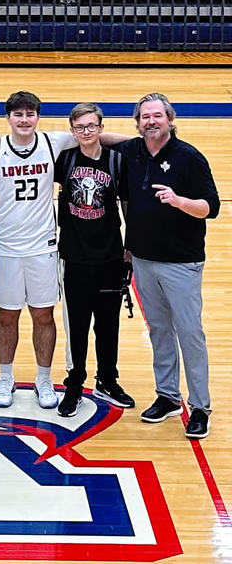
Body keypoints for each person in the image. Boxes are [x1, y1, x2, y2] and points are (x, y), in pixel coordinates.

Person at [112, 92, 220, 439]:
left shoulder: (189, 158)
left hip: (182, 262)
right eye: (145, 117)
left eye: (158, 116)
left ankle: (200, 406)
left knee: (190, 333)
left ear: (170, 119)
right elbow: (98, 136)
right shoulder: (134, 150)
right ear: (138, 123)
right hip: (144, 259)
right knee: (159, 330)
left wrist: (179, 201)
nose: (152, 121)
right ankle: (168, 396)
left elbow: (210, 207)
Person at [0, 91, 77, 410]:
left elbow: (94, 135)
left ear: (38, 117)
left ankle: (43, 379)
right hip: (5, 245)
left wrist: (137, 142)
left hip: (42, 245)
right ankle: (6, 377)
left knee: (43, 315)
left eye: (30, 113)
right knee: (7, 315)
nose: (24, 119)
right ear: (8, 119)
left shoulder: (53, 142)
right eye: (18, 114)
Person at [54, 103, 136, 417]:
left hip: (110, 256)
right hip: (74, 256)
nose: (86, 132)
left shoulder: (117, 162)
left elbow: (127, 205)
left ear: (101, 127)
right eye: (80, 127)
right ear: (72, 131)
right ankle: (74, 385)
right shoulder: (65, 160)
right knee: (77, 326)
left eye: (92, 126)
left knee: (107, 324)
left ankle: (107, 380)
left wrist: (130, 247)